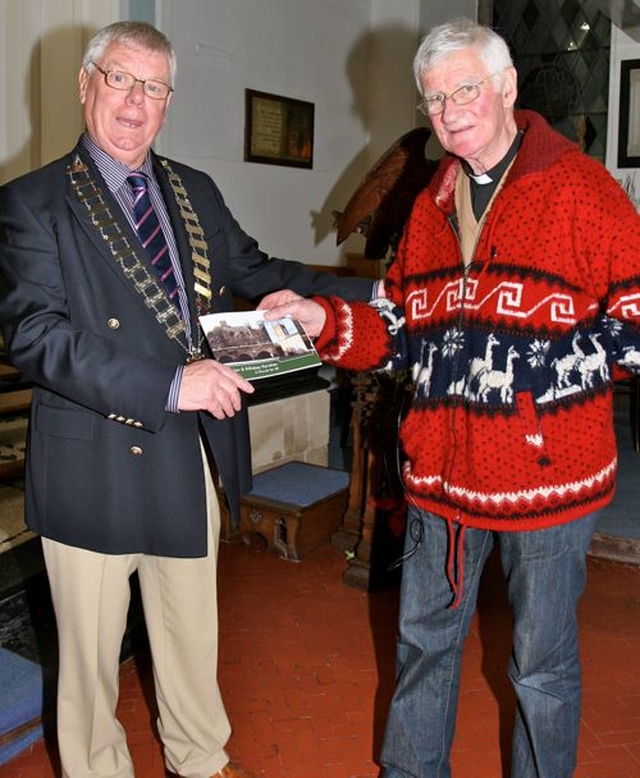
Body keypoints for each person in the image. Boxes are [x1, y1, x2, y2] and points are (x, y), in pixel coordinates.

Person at [260, 17, 640, 778]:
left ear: (506, 87)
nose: (449, 110)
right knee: (423, 651)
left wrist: (539, 373)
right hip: (440, 477)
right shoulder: (430, 206)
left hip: (549, 483)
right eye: (433, 99)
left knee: (541, 668)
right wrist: (324, 320)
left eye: (465, 88)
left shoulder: (582, 190)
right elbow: (397, 326)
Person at [0, 20, 377, 778]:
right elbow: (36, 337)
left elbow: (256, 271)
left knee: (190, 638)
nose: (135, 102)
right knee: (90, 671)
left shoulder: (192, 190)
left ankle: (201, 763)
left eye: (154, 86)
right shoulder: (31, 202)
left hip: (186, 456)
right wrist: (173, 382)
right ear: (86, 86)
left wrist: (374, 294)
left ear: (169, 102)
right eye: (120, 79)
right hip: (92, 460)